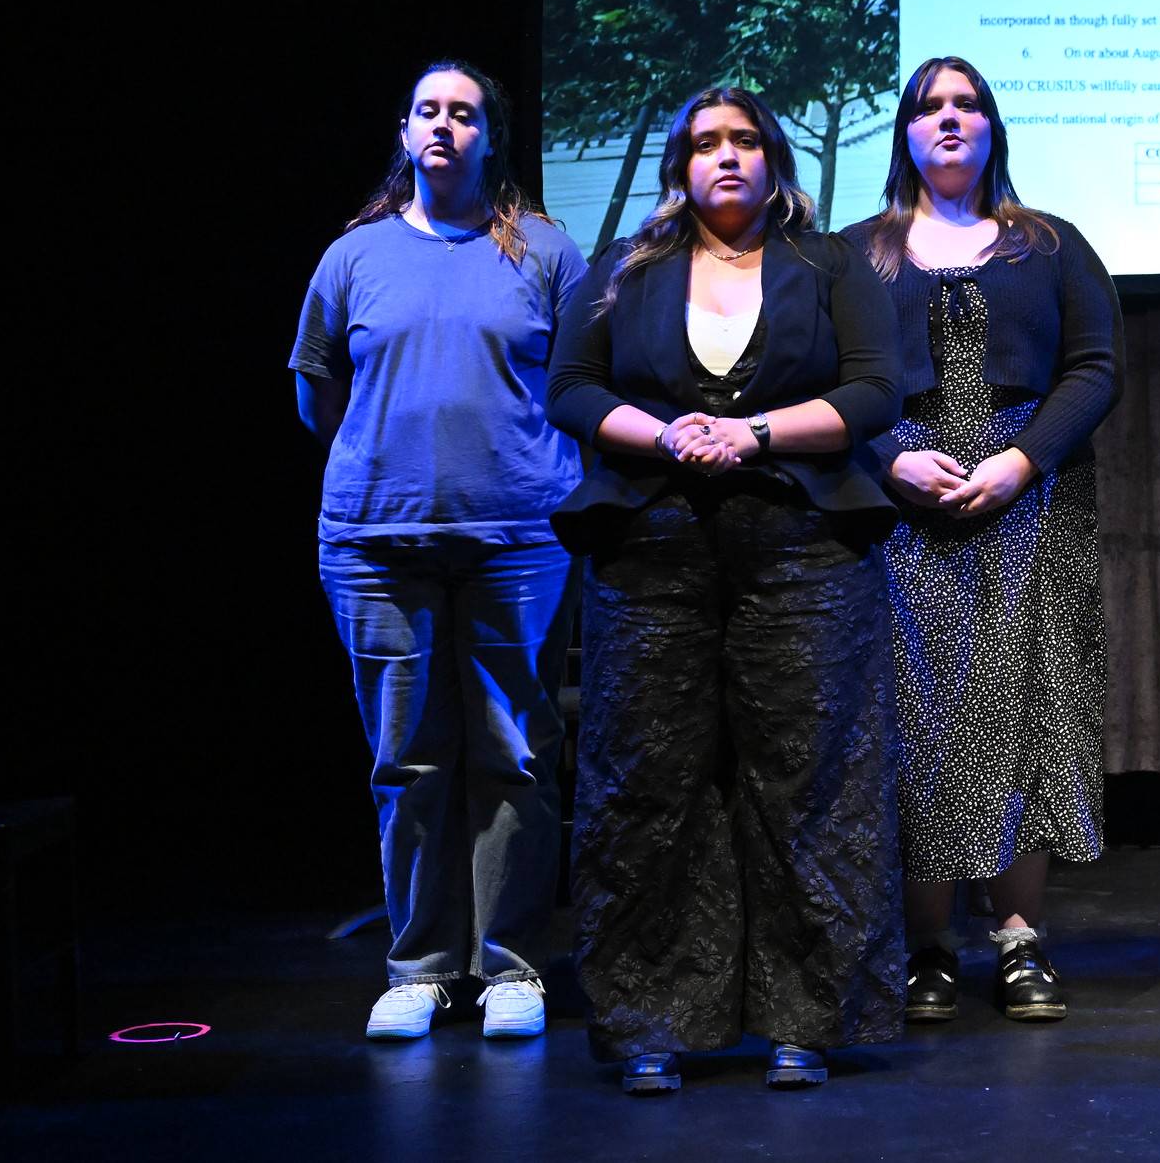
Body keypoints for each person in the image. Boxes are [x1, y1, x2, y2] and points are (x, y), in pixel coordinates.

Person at [547, 86, 904, 1095]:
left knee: (809, 780)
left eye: (746, 139)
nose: (727, 157)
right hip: (652, 544)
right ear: (678, 167)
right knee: (646, 781)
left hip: (801, 543)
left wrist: (751, 434)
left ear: (774, 156)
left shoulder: (831, 263)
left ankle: (805, 1020)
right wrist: (664, 435)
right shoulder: (627, 266)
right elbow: (570, 387)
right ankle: (648, 1022)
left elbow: (875, 391)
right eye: (705, 144)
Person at [290, 60, 585, 1042]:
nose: (446, 127)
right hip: (376, 543)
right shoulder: (356, 256)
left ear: (490, 136)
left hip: (517, 540)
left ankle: (509, 968)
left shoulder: (544, 251)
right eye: (429, 111)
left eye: (464, 114)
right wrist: (393, 462)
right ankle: (417, 968)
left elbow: (584, 389)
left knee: (514, 753)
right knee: (409, 760)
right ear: (406, 132)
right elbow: (317, 393)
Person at [844, 56, 1122, 1025]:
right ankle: (927, 947)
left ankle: (1016, 939)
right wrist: (887, 461)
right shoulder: (856, 253)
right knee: (918, 724)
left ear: (994, 127)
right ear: (907, 134)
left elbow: (1094, 367)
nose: (951, 120)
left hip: (1027, 500)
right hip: (901, 514)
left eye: (968, 105)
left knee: (1026, 716)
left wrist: (1021, 462)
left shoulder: (1047, 245)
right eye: (931, 107)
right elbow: (821, 377)